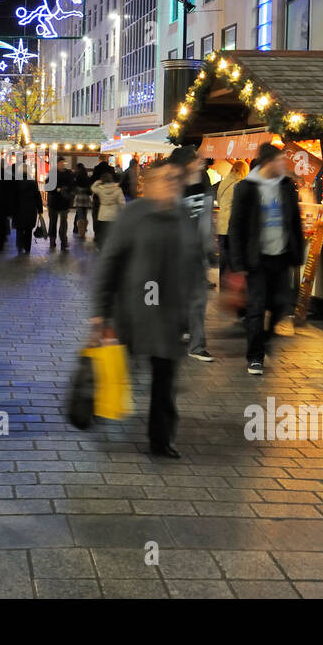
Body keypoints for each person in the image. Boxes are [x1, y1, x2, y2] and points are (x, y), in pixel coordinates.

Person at [91, 161, 201, 459]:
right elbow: (110, 261)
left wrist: (193, 304)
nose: (171, 183)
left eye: (175, 179)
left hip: (168, 317)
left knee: (165, 383)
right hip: (132, 312)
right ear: (148, 183)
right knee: (116, 366)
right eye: (164, 178)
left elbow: (194, 264)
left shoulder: (182, 217)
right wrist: (100, 311)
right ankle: (96, 404)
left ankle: (161, 439)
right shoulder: (134, 215)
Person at [228, 143, 305, 375]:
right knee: (256, 308)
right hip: (257, 258)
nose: (284, 165)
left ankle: (264, 341)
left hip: (281, 256)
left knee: (282, 305)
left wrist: (297, 252)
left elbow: (295, 221)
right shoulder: (246, 188)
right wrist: (238, 262)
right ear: (268, 163)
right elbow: (236, 226)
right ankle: (255, 356)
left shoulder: (286, 186)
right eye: (280, 161)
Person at [172, 146, 215, 362]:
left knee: (199, 300)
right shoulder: (173, 189)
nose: (201, 161)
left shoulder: (204, 186)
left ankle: (197, 346)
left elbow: (206, 222)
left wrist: (209, 249)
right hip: (175, 255)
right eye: (197, 159)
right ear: (187, 163)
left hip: (197, 254)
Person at [214, 158, 247, 276]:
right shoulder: (240, 184)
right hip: (232, 225)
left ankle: (223, 284)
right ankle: (230, 286)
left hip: (221, 224)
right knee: (233, 258)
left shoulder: (223, 182)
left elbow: (218, 200)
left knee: (223, 256)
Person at [13, 163, 42, 255]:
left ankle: (19, 246)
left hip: (18, 209)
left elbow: (12, 197)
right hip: (30, 209)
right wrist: (40, 209)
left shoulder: (16, 182)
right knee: (28, 230)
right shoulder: (33, 182)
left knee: (19, 229)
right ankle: (27, 248)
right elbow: (38, 196)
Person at [90, 170, 124, 248]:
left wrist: (98, 182)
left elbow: (92, 188)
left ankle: (101, 248)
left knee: (102, 233)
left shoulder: (100, 189)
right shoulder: (117, 189)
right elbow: (122, 203)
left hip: (103, 214)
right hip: (114, 214)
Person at [48, 158, 74, 251]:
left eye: (64, 162)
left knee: (64, 222)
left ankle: (63, 240)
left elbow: (72, 185)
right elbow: (47, 186)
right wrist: (57, 189)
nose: (63, 164)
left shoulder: (69, 173)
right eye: (61, 162)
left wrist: (66, 189)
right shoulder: (52, 173)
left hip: (64, 201)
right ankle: (52, 240)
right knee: (53, 222)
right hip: (53, 201)